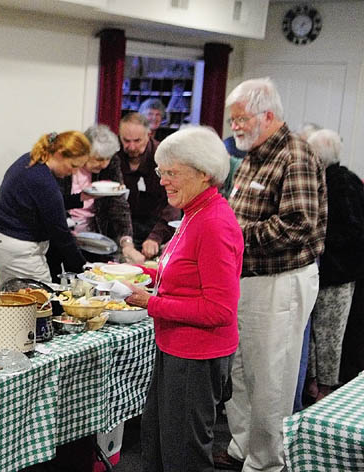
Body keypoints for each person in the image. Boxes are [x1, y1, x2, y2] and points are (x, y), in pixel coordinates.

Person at [216, 77, 327, 472]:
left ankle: (267, 462)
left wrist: (235, 236)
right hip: (246, 278)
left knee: (272, 377)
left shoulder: (296, 155)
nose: (236, 128)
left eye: (241, 119)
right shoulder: (252, 156)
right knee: (242, 371)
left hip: (281, 282)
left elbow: (298, 224)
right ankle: (242, 446)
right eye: (233, 121)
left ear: (267, 115)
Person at [124, 126, 243, 472]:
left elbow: (219, 310)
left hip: (196, 355)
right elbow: (185, 274)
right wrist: (140, 274)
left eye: (172, 173)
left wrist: (151, 303)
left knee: (184, 455)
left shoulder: (214, 223)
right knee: (159, 445)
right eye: (162, 172)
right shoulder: (195, 212)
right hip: (176, 347)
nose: (162, 181)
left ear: (204, 174)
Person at [0, 131, 90, 285]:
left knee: (8, 302)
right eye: (73, 166)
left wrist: (78, 199)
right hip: (17, 250)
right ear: (59, 154)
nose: (73, 172)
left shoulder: (31, 159)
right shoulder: (43, 181)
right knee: (41, 302)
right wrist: (84, 269)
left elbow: (42, 205)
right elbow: (61, 233)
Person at [305, 129, 364, 402]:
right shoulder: (331, 180)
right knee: (318, 334)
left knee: (329, 334)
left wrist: (319, 239)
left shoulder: (342, 184)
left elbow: (353, 231)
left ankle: (325, 389)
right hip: (326, 271)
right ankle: (316, 384)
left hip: (338, 273)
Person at [49, 124, 142, 280]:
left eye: (107, 159)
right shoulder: (65, 165)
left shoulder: (110, 164)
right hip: (62, 234)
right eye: (98, 159)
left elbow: (118, 204)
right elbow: (54, 203)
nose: (104, 164)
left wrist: (127, 242)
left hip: (95, 237)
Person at [116, 112, 180, 259]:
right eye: (126, 141)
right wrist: (126, 239)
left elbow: (173, 203)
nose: (131, 147)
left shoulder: (164, 157)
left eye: (137, 141)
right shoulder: (115, 157)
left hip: (157, 229)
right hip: (122, 230)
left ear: (149, 134)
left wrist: (155, 237)